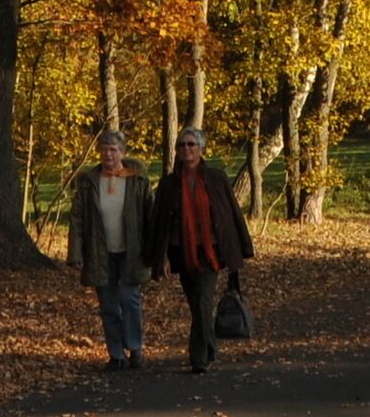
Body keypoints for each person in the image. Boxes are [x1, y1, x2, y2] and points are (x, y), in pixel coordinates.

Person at [150, 128, 253, 374]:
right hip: (181, 251)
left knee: (203, 302)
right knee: (195, 304)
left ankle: (198, 358)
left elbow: (232, 213)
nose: (186, 149)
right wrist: (161, 255)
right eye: (182, 145)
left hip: (211, 251)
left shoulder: (216, 178)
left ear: (201, 148)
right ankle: (210, 345)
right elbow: (160, 222)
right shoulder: (170, 183)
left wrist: (241, 247)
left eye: (191, 145)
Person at [63, 130, 156, 370]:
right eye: (104, 149)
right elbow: (77, 220)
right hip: (99, 252)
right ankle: (116, 354)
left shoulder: (137, 180)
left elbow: (150, 216)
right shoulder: (89, 182)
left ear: (122, 152)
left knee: (129, 298)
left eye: (113, 149)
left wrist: (155, 251)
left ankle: (135, 348)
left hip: (131, 251)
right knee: (108, 305)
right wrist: (75, 254)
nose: (108, 154)